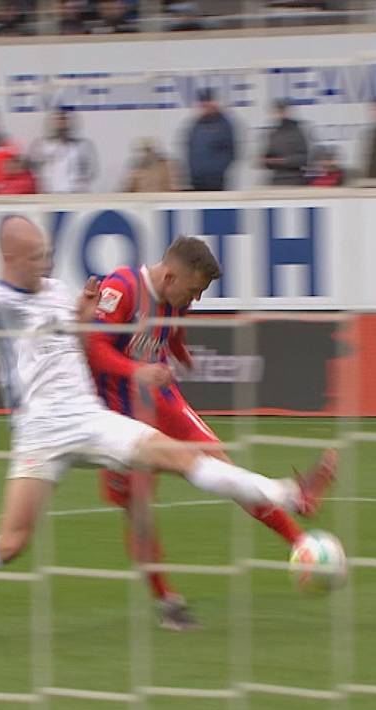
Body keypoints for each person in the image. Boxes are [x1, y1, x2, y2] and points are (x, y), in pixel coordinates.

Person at [0, 216, 337, 644]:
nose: (48, 261)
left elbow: (79, 341)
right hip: (39, 430)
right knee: (12, 542)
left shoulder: (59, 290)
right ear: (12, 259)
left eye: (47, 252)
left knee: (186, 457)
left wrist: (82, 314)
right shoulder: (1, 299)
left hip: (90, 417)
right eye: (37, 255)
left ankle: (290, 494)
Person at [84, 237, 312, 630]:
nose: (197, 298)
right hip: (118, 416)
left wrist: (180, 352)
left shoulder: (177, 297)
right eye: (194, 289)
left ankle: (300, 542)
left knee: (223, 466)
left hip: (164, 401)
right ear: (170, 275)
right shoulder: (121, 289)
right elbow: (94, 348)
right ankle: (167, 601)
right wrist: (135, 370)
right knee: (139, 512)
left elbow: (173, 327)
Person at [28, 109, 97, 193]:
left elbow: (91, 170)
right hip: (49, 195)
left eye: (65, 119)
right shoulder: (41, 145)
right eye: (59, 119)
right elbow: (34, 169)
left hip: (76, 194)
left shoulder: (83, 145)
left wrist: (79, 183)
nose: (62, 124)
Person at [185, 88, 236, 191]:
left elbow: (230, 150)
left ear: (213, 103)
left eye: (207, 102)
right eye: (202, 103)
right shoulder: (197, 124)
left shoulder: (223, 124)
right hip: (197, 178)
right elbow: (190, 147)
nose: (204, 106)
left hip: (215, 179)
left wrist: (216, 171)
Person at [260, 99, 309, 186]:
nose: (279, 114)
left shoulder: (298, 131)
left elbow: (304, 158)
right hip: (276, 180)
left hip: (295, 179)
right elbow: (266, 158)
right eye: (277, 111)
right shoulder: (273, 134)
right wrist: (265, 161)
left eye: (282, 111)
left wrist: (284, 161)